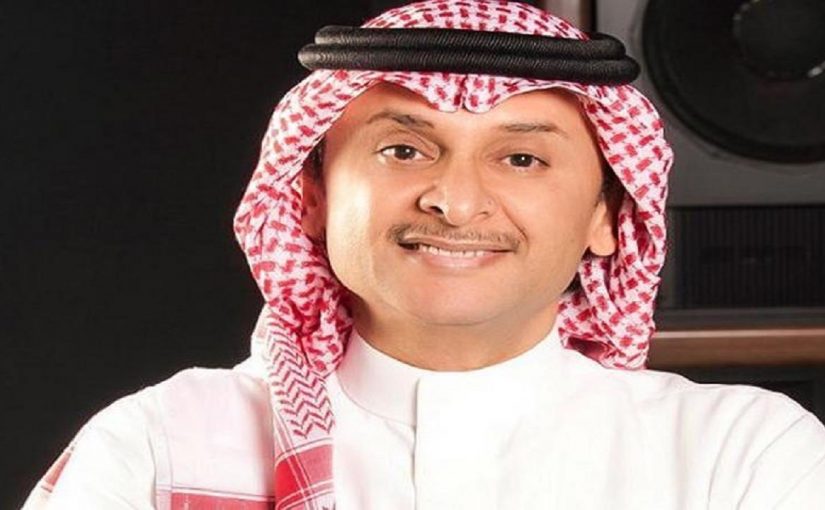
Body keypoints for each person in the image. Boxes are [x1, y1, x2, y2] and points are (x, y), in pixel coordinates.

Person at [23, 1, 825, 509]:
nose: (456, 201)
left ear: (606, 216)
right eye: (403, 150)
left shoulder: (737, 455)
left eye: (521, 158)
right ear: (311, 198)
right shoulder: (161, 443)